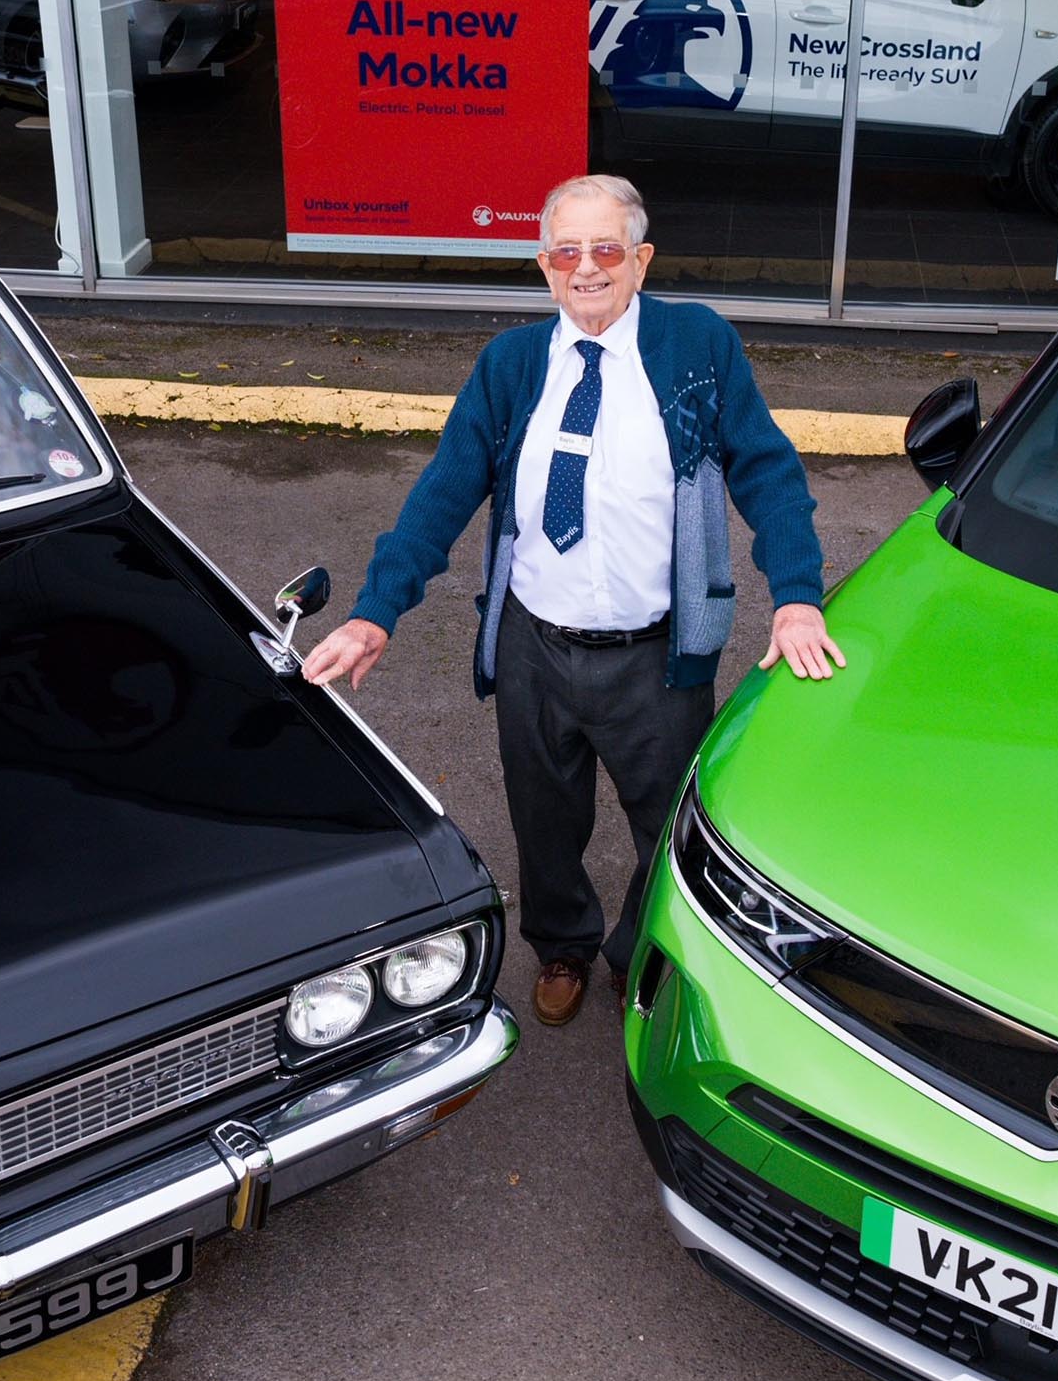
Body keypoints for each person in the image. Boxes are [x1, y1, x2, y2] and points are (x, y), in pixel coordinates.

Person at [300, 173, 845, 1029]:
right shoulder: (512, 364)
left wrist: (799, 598)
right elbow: (445, 491)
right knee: (543, 820)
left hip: (654, 656)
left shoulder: (695, 344)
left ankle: (640, 952)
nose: (586, 268)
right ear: (544, 264)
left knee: (668, 831)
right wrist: (376, 611)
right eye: (567, 251)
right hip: (534, 648)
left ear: (640, 260)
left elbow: (769, 471)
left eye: (606, 250)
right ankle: (562, 946)